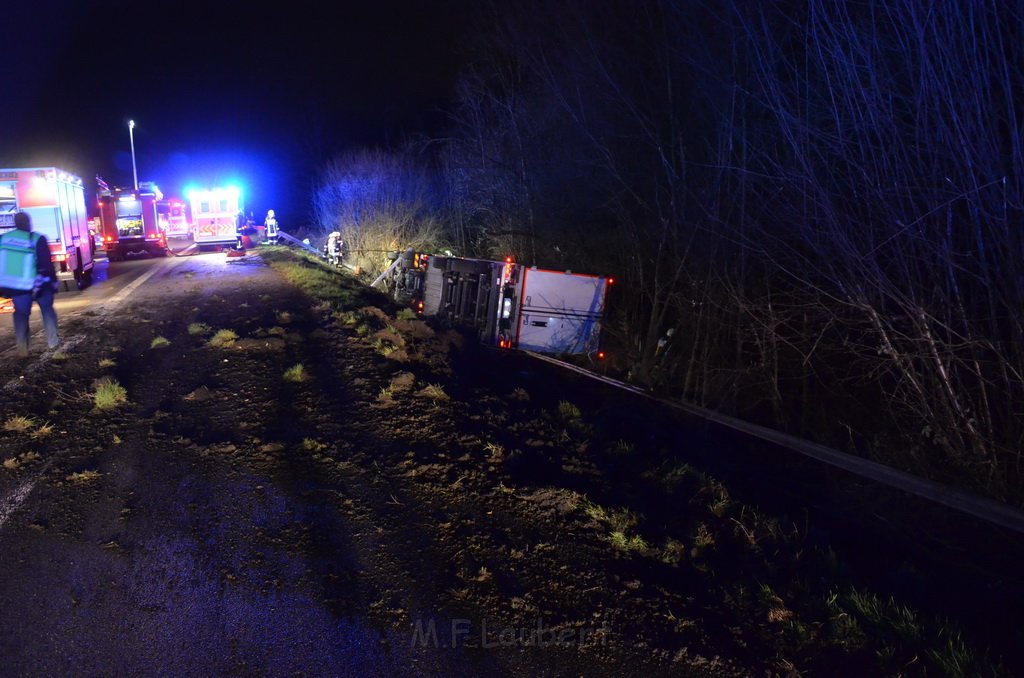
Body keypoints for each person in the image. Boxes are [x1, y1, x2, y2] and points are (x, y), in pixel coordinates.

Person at [0, 211, 59, 357]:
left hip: (16, 287)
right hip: (38, 285)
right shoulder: (37, 239)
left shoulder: (3, 239)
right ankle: (53, 343)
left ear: (15, 223)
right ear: (28, 223)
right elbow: (46, 264)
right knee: (47, 311)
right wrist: (53, 281)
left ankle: (22, 346)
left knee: (20, 315)